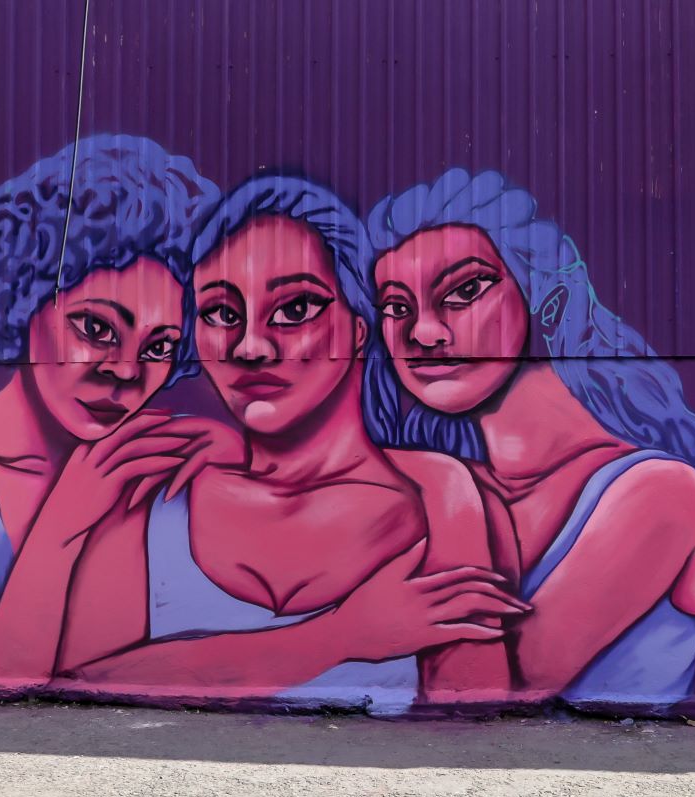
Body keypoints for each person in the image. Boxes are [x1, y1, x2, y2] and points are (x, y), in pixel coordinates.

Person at [55, 175, 527, 710]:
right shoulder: (156, 490)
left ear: (358, 327)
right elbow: (86, 687)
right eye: (222, 315)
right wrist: (341, 635)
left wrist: (445, 485)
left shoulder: (444, 495)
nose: (249, 346)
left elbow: (468, 714)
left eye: (295, 310)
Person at [366, 169, 695, 707]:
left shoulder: (660, 492)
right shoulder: (448, 475)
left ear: (548, 303)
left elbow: (484, 698)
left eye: (463, 291)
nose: (423, 333)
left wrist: (446, 488)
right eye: (396, 306)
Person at [0, 134, 236, 686]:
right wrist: (62, 526)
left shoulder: (132, 460)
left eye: (158, 347)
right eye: (97, 328)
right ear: (22, 297)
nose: (126, 370)